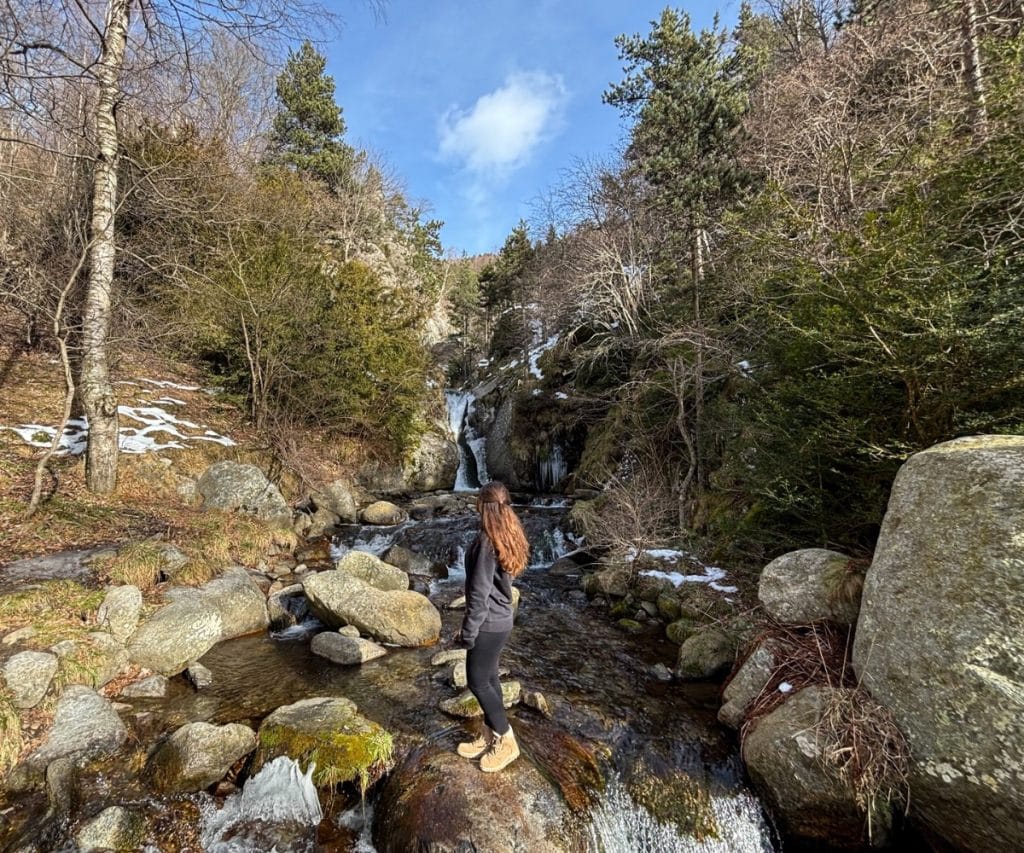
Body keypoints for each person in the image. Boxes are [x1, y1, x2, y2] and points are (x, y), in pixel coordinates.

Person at [454, 480, 529, 772]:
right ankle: (489, 735)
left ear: (483, 507)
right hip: (502, 620)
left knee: (477, 681)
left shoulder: (486, 541)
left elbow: (478, 593)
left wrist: (468, 632)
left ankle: (506, 740)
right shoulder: (508, 534)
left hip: (487, 623)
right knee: (490, 678)